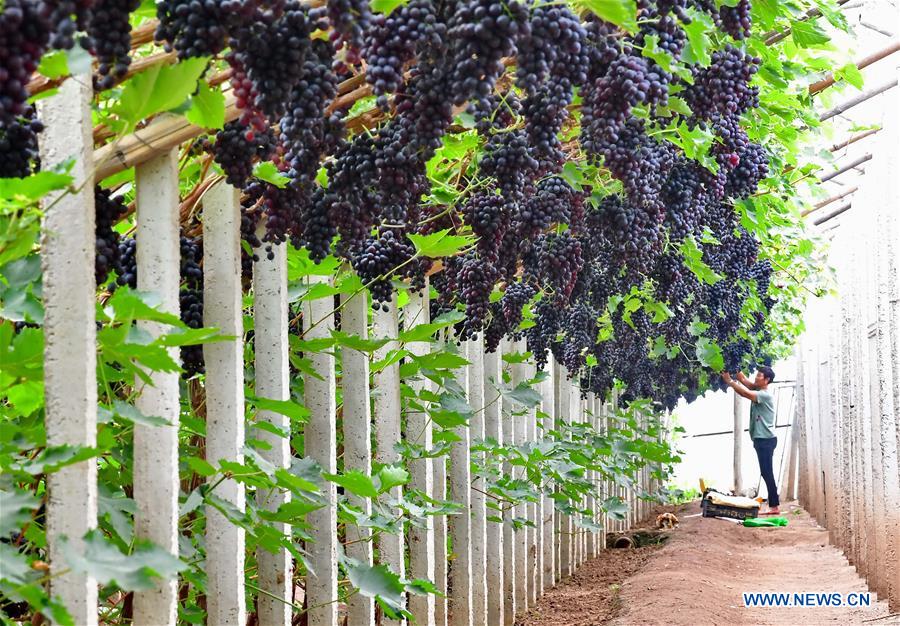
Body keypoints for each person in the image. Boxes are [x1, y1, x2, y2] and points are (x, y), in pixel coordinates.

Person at [721, 367, 780, 515]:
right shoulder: (759, 389)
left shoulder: (764, 395)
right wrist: (734, 366)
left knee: (767, 472)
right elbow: (743, 380)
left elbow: (745, 393)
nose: (756, 377)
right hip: (762, 439)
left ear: (766, 380)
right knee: (766, 472)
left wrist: (729, 381)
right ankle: (774, 505)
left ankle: (774, 506)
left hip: (765, 440)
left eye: (759, 375)